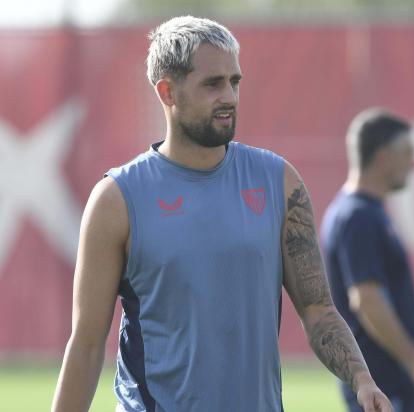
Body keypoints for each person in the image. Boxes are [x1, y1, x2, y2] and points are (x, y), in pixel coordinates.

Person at [51, 16, 392, 412]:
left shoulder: (279, 182)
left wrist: (363, 380)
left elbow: (319, 311)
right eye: (212, 84)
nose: (229, 96)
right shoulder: (117, 199)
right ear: (168, 92)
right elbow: (88, 344)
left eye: (235, 82)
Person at [320, 109, 414, 412]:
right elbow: (367, 299)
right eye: (407, 153)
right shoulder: (358, 217)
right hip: (382, 384)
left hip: (385, 382)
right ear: (383, 157)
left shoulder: (364, 213)